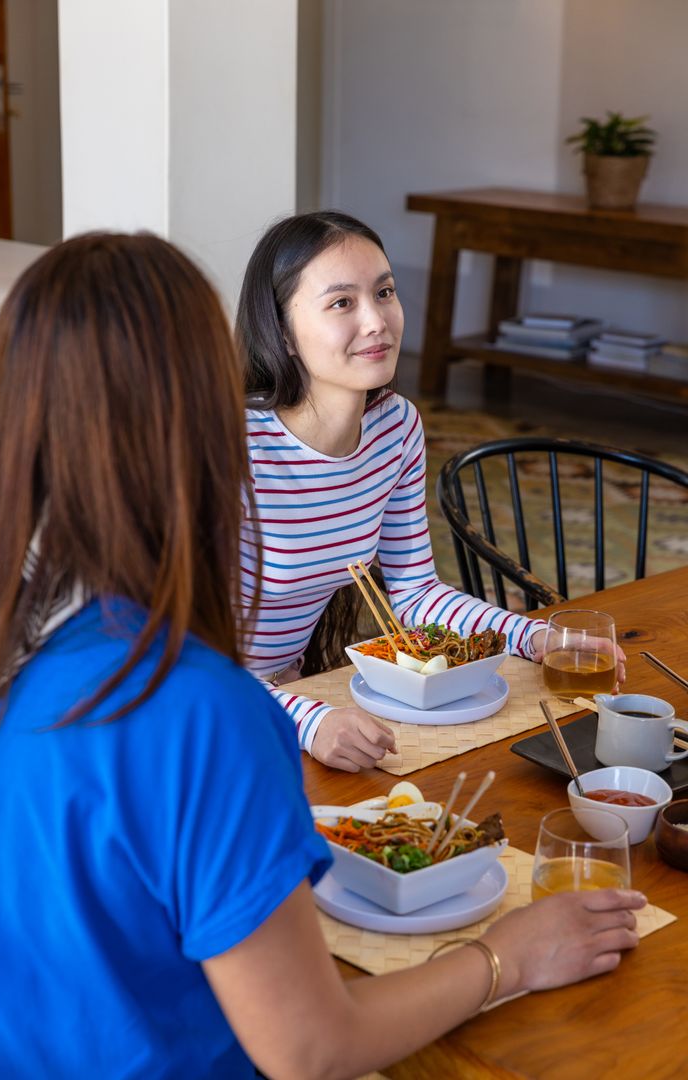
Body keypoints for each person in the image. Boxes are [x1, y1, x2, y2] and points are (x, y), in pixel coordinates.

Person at [0, 232, 643, 1079]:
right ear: (207, 418)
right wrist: (509, 955)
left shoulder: (5, 631)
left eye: (385, 292)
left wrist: (531, 630)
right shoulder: (203, 713)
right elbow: (310, 1049)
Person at [236, 211, 625, 771]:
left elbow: (414, 594)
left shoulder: (395, 428)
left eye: (385, 292)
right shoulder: (231, 448)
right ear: (282, 331)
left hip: (284, 698)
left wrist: (534, 638)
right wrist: (303, 718)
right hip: (189, 708)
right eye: (342, 303)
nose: (377, 321)